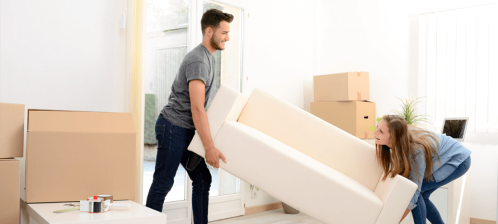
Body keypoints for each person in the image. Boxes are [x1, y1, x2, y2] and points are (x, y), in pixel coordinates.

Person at [146, 9, 234, 224]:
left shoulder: (209, 58)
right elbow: (197, 109)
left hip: (186, 130)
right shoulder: (198, 61)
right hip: (173, 127)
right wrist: (210, 147)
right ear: (209, 31)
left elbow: (200, 109)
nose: (227, 37)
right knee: (163, 183)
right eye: (224, 32)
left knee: (202, 179)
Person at [374, 115, 471, 224]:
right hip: (445, 154)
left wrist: (396, 221)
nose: (375, 133)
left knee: (416, 192)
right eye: (377, 127)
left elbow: (415, 190)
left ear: (394, 137)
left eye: (381, 131)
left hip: (458, 159)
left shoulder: (416, 151)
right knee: (422, 196)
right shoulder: (400, 134)